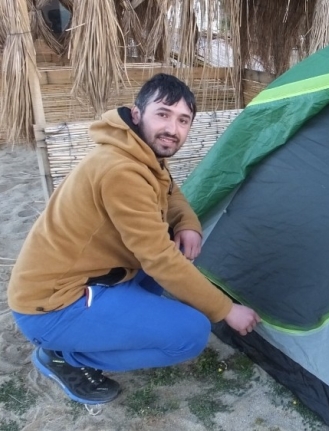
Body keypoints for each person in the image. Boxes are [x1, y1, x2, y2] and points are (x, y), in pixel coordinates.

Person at [8, 73, 260, 405]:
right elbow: (158, 259)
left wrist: (188, 224)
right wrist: (226, 309)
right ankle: (63, 358)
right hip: (53, 305)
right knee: (191, 335)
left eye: (183, 120)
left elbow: (170, 191)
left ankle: (104, 322)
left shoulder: (142, 152)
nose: (173, 128)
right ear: (137, 113)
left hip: (89, 278)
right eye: (163, 114)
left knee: (170, 244)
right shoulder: (121, 169)